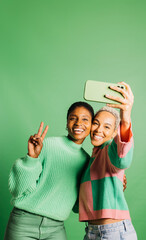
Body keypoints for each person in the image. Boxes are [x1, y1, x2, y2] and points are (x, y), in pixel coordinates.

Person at [4, 101, 94, 240]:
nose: (78, 123)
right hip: (23, 223)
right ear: (66, 123)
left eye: (85, 119)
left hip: (55, 228)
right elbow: (18, 190)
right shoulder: (46, 145)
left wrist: (113, 183)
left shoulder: (87, 162)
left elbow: (78, 207)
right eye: (73, 118)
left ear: (92, 125)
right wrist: (31, 158)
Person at [79, 82, 137, 239]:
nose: (98, 130)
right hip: (92, 231)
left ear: (114, 133)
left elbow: (122, 158)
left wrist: (125, 118)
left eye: (107, 127)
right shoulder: (90, 160)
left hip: (113, 231)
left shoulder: (110, 149)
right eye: (96, 124)